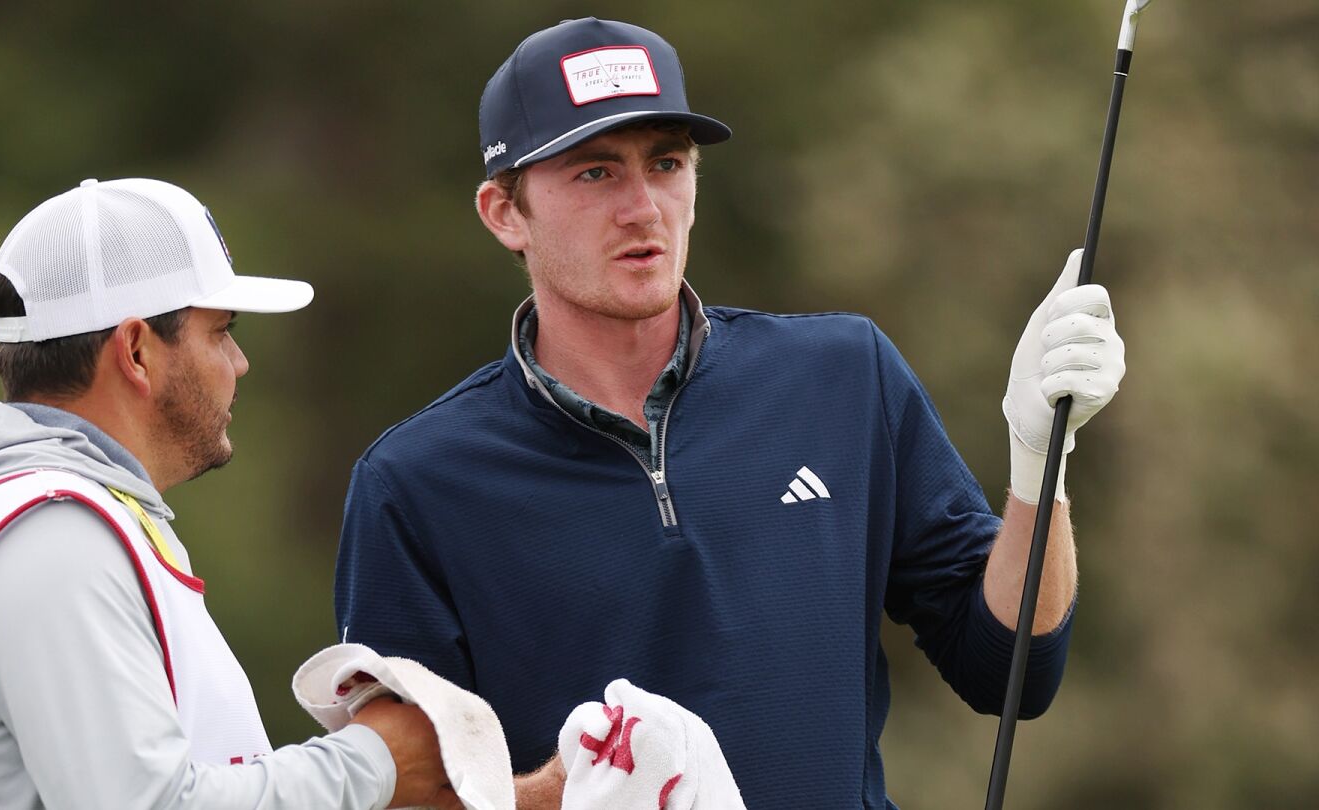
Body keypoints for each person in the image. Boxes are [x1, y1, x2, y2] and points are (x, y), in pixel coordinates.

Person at [334, 17, 1125, 810]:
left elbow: (1010, 671)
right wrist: (557, 792)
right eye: (595, 174)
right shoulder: (414, 484)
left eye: (667, 164)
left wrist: (1038, 465)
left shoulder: (845, 376)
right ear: (505, 213)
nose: (643, 207)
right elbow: (399, 791)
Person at [0, 178, 461, 810]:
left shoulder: (47, 519)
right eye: (220, 331)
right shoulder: (48, 535)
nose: (238, 362)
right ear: (135, 350)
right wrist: (374, 763)